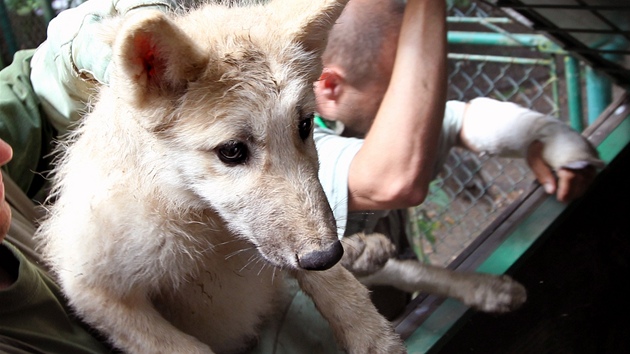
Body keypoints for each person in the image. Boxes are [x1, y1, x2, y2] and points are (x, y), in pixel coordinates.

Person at [0, 0, 601, 352]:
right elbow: (97, 287)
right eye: (235, 152)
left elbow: (452, 120)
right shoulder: (130, 192)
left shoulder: (272, 114)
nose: (318, 234)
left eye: (303, 128)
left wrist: (539, 132)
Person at [312, 0, 600, 318]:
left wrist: (549, 139)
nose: (416, 104)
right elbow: (391, 181)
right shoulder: (300, 152)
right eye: (400, 93)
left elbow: (462, 118)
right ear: (331, 86)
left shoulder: (367, 120)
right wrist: (455, 284)